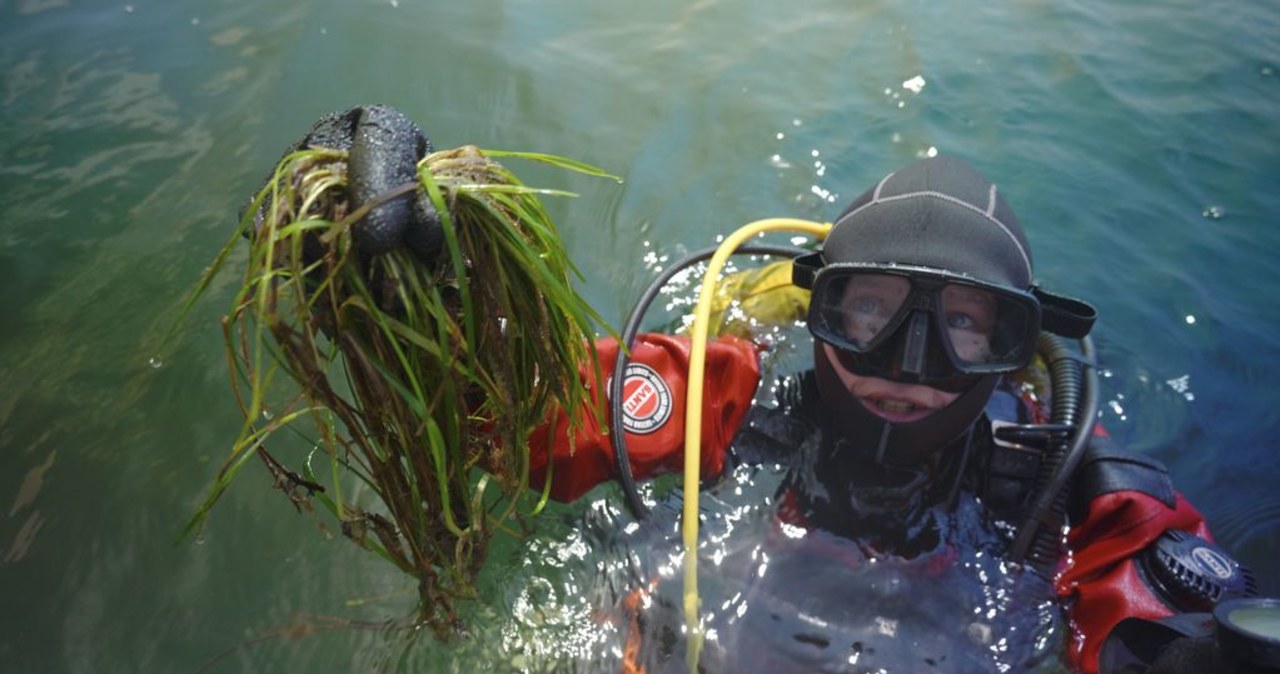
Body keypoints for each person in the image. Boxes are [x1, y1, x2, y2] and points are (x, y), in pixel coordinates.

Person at [262, 106, 1262, 673]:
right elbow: (519, 416)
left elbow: (1148, 611)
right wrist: (410, 278)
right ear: (815, 309)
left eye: (960, 324)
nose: (906, 367)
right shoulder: (733, 408)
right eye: (867, 312)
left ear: (1015, 344)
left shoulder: (1074, 495)